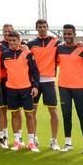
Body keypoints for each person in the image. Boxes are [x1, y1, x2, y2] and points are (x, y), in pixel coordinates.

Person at [57, 24, 83, 155]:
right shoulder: (59, 49)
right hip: (63, 87)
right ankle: (67, 143)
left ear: (74, 34)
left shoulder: (82, 50)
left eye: (69, 34)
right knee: (66, 116)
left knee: (82, 116)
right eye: (65, 34)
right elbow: (57, 63)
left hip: (79, 88)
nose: (67, 36)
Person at [2, 31, 40, 152]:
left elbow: (35, 71)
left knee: (29, 115)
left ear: (19, 41)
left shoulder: (27, 53)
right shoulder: (4, 54)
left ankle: (31, 142)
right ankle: (17, 141)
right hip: (11, 89)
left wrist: (35, 86)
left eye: (15, 40)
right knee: (14, 114)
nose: (12, 43)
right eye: (10, 41)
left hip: (26, 89)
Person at [27, 19, 61, 150]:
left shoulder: (56, 42)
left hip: (49, 81)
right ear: (36, 28)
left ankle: (54, 140)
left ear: (47, 27)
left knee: (53, 111)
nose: (42, 28)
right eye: (39, 27)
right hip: (34, 82)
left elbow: (68, 48)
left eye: (44, 26)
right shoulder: (31, 44)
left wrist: (80, 45)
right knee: (32, 112)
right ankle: (33, 138)